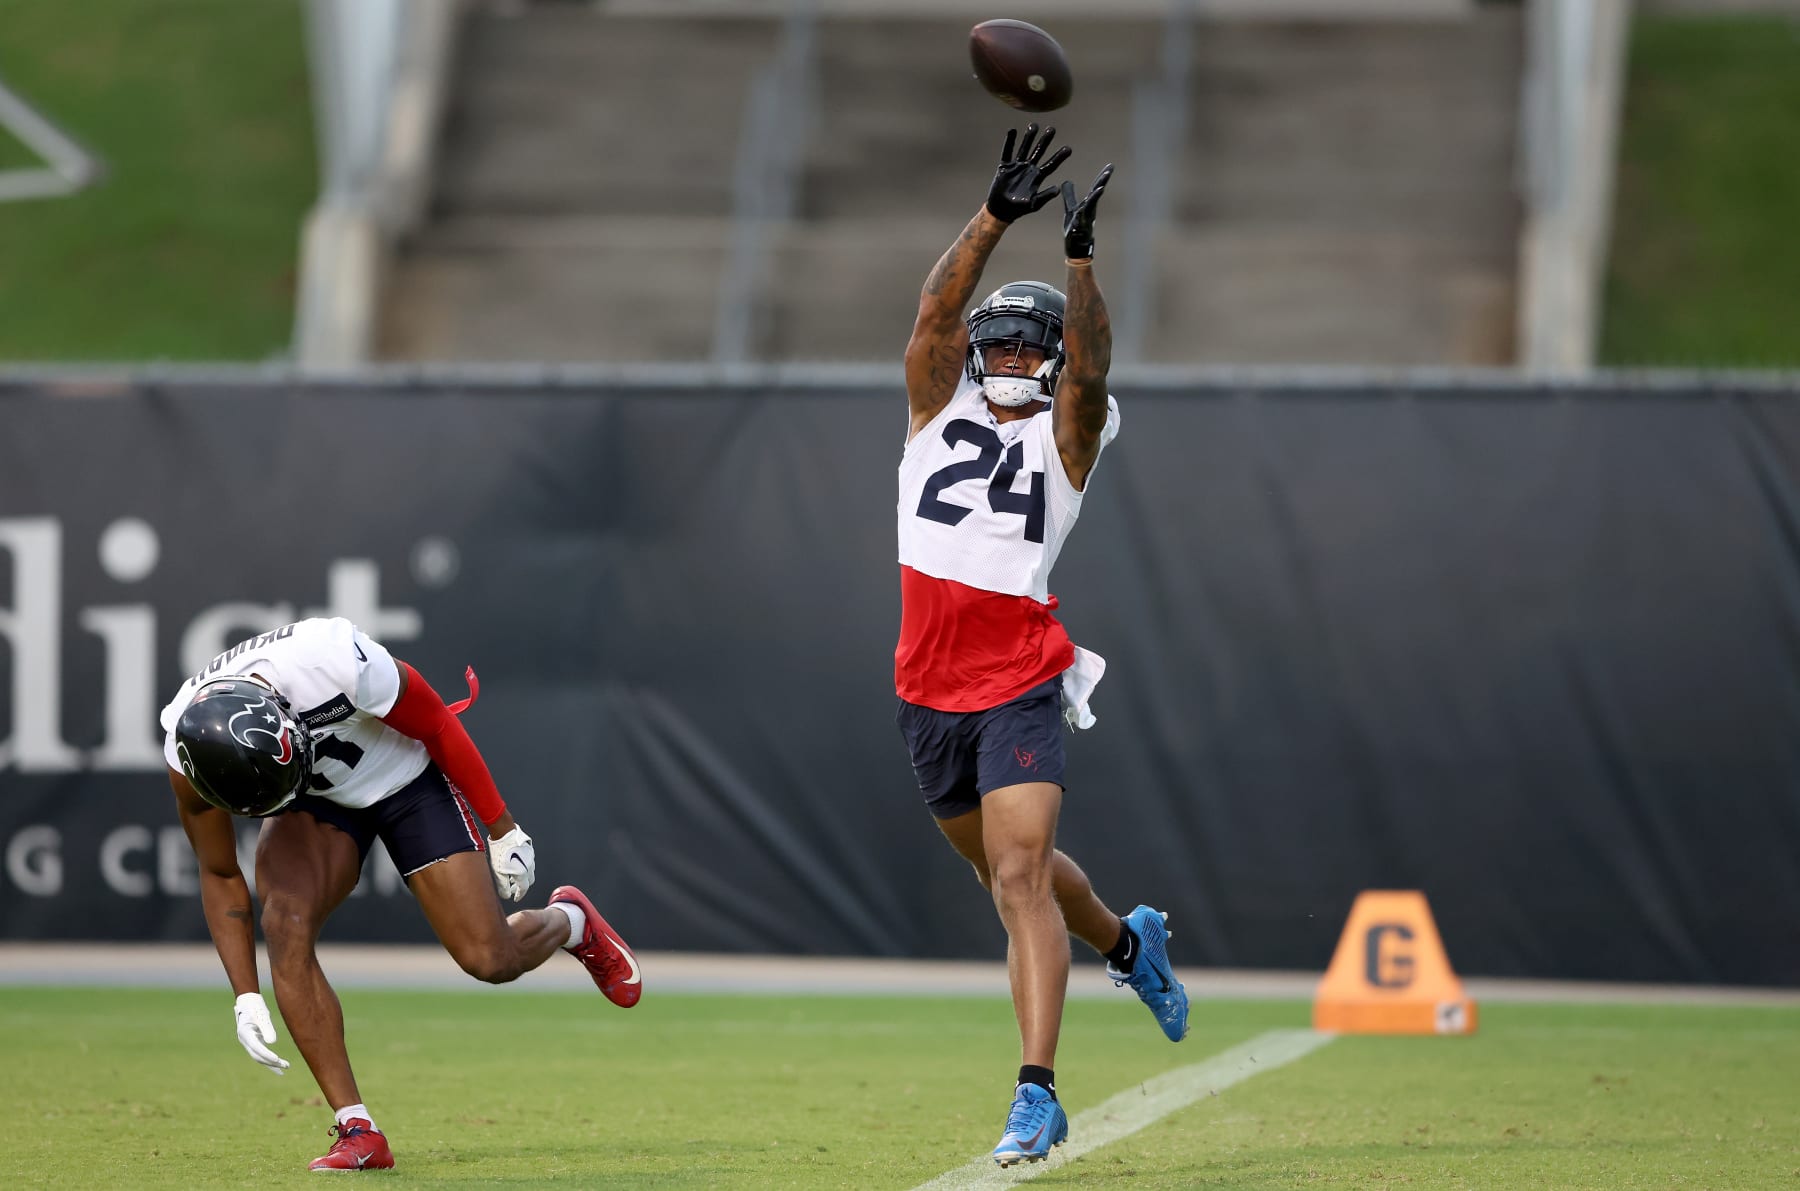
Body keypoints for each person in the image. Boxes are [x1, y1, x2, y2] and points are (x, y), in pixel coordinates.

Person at [894, 124, 1190, 1168]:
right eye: (1003, 343)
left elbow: (1095, 368)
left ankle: (1036, 1093)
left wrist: (1077, 258)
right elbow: (935, 312)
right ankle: (1124, 939)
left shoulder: (1067, 433)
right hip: (928, 691)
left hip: (1019, 678)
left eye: (1034, 346)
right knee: (1012, 879)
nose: (1016, 358)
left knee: (1019, 880)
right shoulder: (936, 408)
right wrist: (993, 215)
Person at [162, 615, 641, 1172]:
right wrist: (245, 994)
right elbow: (221, 874)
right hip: (318, 802)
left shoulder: (333, 658)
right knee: (285, 922)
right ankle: (358, 1130)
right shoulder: (186, 751)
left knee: (489, 959)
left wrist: (503, 827)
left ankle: (570, 921)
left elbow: (436, 722)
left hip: (407, 780)